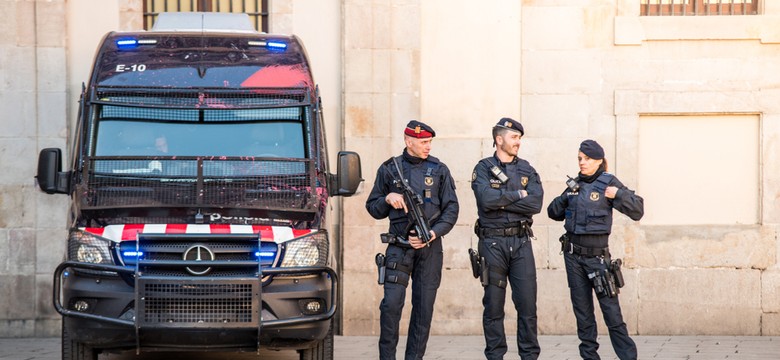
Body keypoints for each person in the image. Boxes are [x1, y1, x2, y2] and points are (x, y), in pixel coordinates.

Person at [365, 120, 460, 360]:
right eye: (424, 142)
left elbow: (451, 209)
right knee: (391, 307)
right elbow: (373, 207)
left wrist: (432, 234)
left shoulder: (439, 170)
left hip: (429, 250)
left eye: (429, 142)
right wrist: (387, 198)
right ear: (409, 141)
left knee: (423, 311)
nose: (428, 146)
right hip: (398, 248)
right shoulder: (389, 169)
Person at [546, 139, 644, 360]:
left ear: (599, 160)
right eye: (580, 158)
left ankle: (628, 356)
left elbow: (638, 210)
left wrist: (617, 195)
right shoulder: (574, 185)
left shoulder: (608, 182)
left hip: (598, 260)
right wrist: (565, 197)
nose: (582, 162)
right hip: (573, 258)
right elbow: (552, 212)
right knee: (583, 315)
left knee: (612, 313)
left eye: (587, 158)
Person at [471, 117, 543, 360]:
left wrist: (502, 200)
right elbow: (485, 201)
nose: (518, 142)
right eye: (514, 137)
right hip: (492, 244)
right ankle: (495, 356)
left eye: (520, 138)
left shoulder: (527, 169)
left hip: (521, 243)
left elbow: (535, 203)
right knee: (493, 306)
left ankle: (530, 356)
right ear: (498, 139)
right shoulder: (482, 168)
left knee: (527, 306)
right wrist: (517, 195)